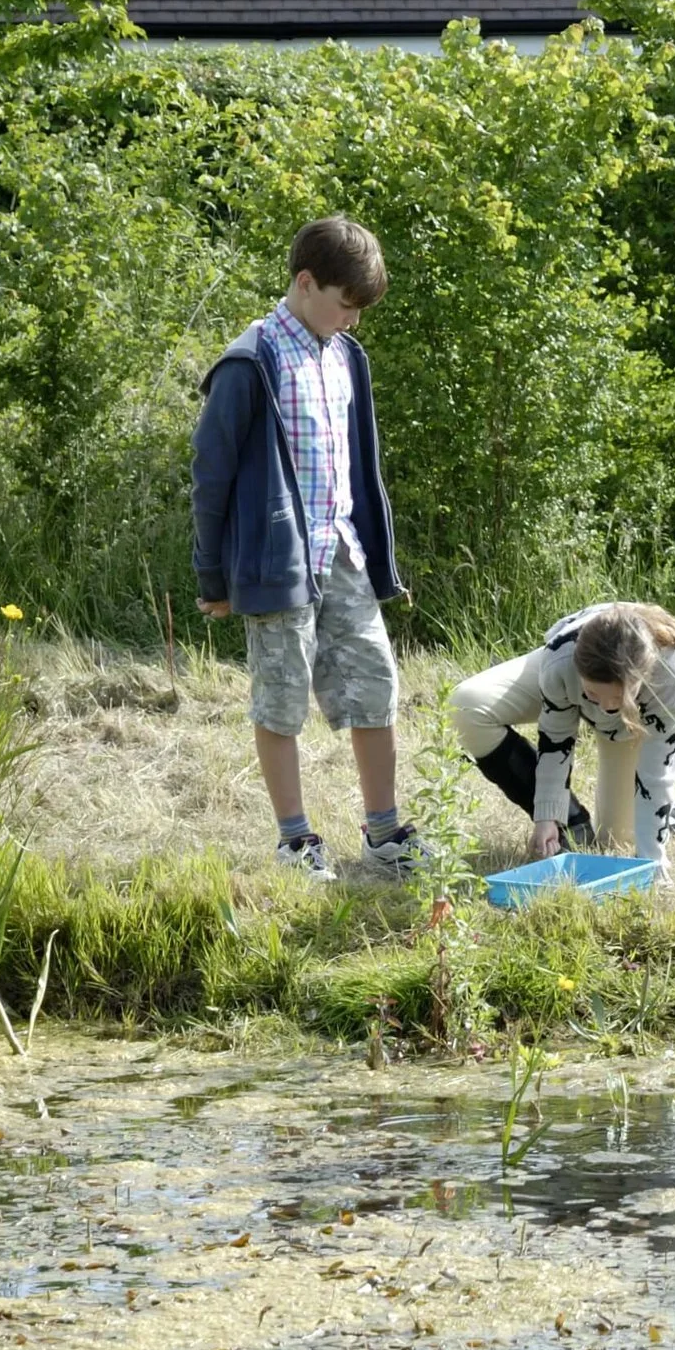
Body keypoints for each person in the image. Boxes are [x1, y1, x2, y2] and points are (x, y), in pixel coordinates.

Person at [193, 215, 426, 882]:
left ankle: (385, 836)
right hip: (278, 566)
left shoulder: (346, 356)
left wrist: (379, 559)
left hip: (343, 552)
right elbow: (210, 476)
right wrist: (213, 576)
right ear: (304, 282)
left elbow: (359, 467)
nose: (352, 322)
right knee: (282, 698)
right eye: (345, 305)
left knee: (376, 686)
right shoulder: (252, 359)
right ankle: (296, 843)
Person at [449, 601, 675, 875]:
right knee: (465, 705)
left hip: (635, 723)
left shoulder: (672, 672)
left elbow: (658, 771)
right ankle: (573, 826)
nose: (606, 707)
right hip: (567, 671)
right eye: (594, 695)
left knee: (620, 838)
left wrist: (653, 861)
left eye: (616, 698)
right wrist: (547, 816)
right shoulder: (561, 660)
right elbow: (556, 738)